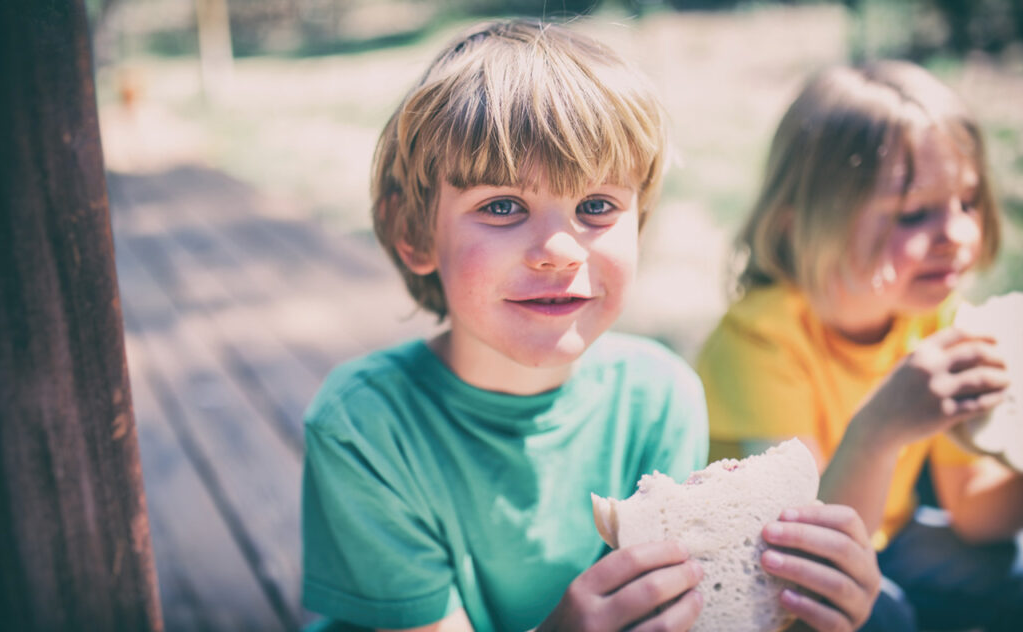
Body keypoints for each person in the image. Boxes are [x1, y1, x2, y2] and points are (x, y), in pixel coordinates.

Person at [302, 20, 879, 632]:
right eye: (502, 206)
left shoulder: (661, 396)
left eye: (596, 207)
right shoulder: (362, 427)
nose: (559, 250)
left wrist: (807, 607)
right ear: (415, 233)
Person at [697, 60, 1023, 631]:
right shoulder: (760, 342)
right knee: (885, 616)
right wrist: (881, 429)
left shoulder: (935, 317)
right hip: (773, 587)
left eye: (968, 202)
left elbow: (975, 513)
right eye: (914, 213)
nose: (957, 234)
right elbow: (801, 558)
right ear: (797, 225)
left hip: (888, 539)